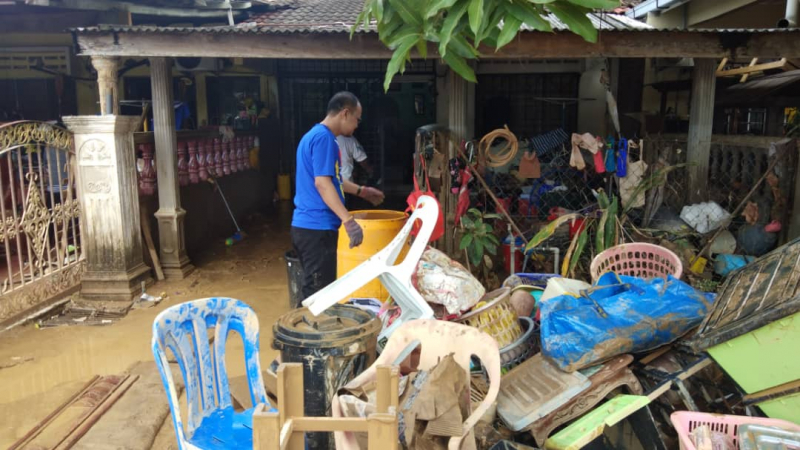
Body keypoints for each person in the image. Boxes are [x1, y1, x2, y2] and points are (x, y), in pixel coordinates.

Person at [291, 91, 385, 301]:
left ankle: (307, 330)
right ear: (345, 113)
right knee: (317, 298)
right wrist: (348, 220)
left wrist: (361, 191)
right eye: (357, 119)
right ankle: (303, 332)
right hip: (316, 229)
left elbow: (334, 181)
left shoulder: (315, 136)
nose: (357, 125)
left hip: (309, 228)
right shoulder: (324, 139)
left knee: (317, 291)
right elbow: (322, 184)